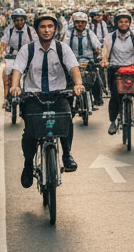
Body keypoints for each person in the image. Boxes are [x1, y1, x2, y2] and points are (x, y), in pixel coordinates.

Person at [10, 11, 85, 185]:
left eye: (50, 26)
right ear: (36, 30)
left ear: (55, 29)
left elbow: (73, 67)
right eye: (42, 27)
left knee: (66, 119)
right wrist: (15, 86)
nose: (46, 30)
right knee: (30, 133)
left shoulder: (62, 48)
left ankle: (67, 155)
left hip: (58, 94)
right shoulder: (27, 49)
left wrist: (78, 83)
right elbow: (18, 70)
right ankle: (28, 164)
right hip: (33, 96)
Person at [104, 9, 134, 134]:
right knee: (114, 96)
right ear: (116, 23)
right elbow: (106, 53)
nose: (124, 24)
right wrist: (104, 61)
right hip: (115, 70)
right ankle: (113, 121)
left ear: (129, 23)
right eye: (121, 22)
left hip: (132, 70)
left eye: (126, 22)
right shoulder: (110, 37)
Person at [66, 11, 103, 105]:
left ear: (86, 24)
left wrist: (100, 53)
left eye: (83, 22)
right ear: (74, 23)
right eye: (78, 22)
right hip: (73, 62)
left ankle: (98, 98)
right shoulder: (69, 34)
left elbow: (97, 46)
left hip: (88, 61)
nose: (80, 25)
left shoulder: (89, 33)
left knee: (96, 78)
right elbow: (64, 47)